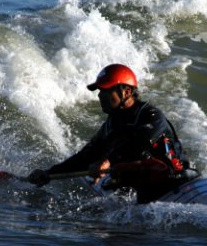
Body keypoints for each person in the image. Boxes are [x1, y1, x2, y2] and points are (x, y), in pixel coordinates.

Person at [28, 64, 196, 204]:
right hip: (141, 190)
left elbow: (140, 144)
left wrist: (108, 161)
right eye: (100, 91)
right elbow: (85, 157)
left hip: (173, 181)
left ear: (127, 92)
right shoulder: (111, 124)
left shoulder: (150, 115)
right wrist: (49, 173)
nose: (100, 95)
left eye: (106, 91)